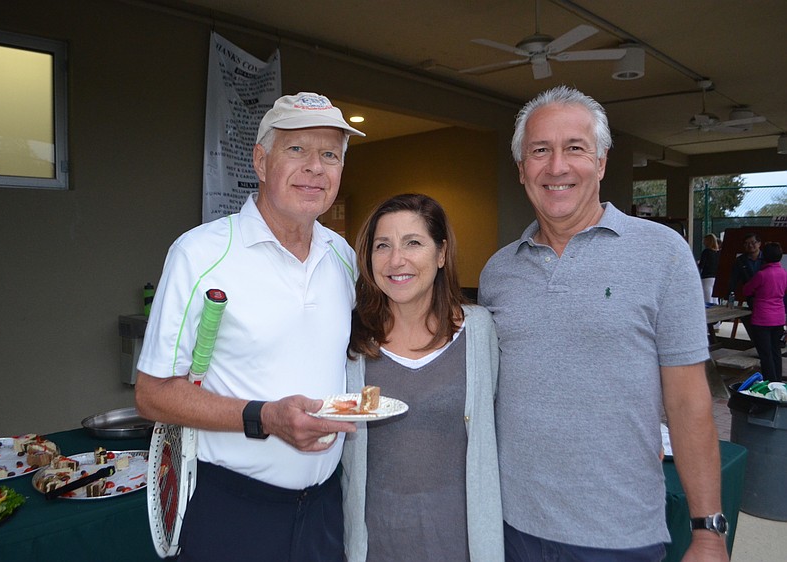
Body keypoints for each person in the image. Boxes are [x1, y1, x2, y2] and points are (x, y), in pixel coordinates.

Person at [478, 85, 729, 561]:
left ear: (602, 162)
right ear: (521, 168)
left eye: (575, 148)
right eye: (540, 151)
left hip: (620, 534)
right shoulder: (498, 272)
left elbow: (688, 400)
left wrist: (708, 530)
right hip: (511, 527)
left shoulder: (663, 253)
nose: (557, 167)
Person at [135, 92, 365, 562]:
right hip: (234, 511)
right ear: (261, 161)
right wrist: (265, 417)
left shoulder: (343, 256)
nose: (315, 168)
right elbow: (152, 394)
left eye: (329, 155)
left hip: (326, 509)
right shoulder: (200, 254)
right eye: (296, 150)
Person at [341, 193, 504, 561]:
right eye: (383, 246)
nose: (396, 260)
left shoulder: (479, 332)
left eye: (413, 243)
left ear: (441, 253)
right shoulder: (352, 341)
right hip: (374, 543)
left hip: (461, 542)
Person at [743, 241, 787, 382]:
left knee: (765, 354)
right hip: (779, 317)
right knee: (776, 351)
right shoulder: (784, 273)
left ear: (764, 257)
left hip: (762, 318)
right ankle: (778, 382)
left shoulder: (761, 275)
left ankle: (769, 382)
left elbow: (747, 290)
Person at [728, 232, 763, 307]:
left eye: (753, 242)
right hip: (751, 297)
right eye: (747, 243)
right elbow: (733, 280)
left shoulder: (767, 258)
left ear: (759, 244)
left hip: (767, 296)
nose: (750, 245)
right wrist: (730, 300)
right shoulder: (740, 260)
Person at [699, 233, 721, 305]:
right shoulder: (718, 253)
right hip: (716, 277)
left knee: (707, 299)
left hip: (706, 278)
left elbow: (701, 265)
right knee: (715, 299)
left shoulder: (706, 252)